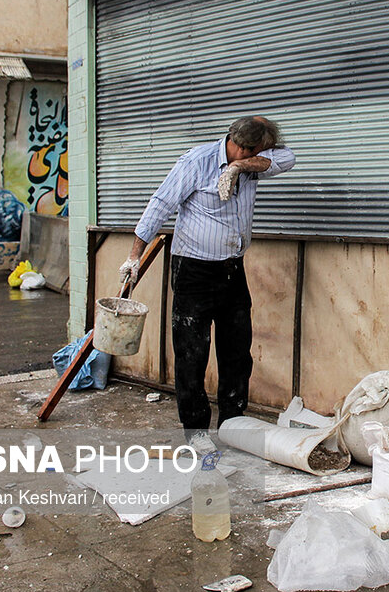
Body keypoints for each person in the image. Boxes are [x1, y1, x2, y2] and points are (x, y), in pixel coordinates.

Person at [119, 116, 295, 455]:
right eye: (259, 152)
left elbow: (288, 158)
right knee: (192, 353)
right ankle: (196, 429)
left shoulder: (250, 163)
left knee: (236, 352)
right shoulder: (196, 162)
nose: (266, 157)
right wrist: (134, 256)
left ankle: (232, 423)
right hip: (194, 271)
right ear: (243, 145)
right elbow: (160, 205)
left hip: (232, 270)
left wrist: (240, 168)